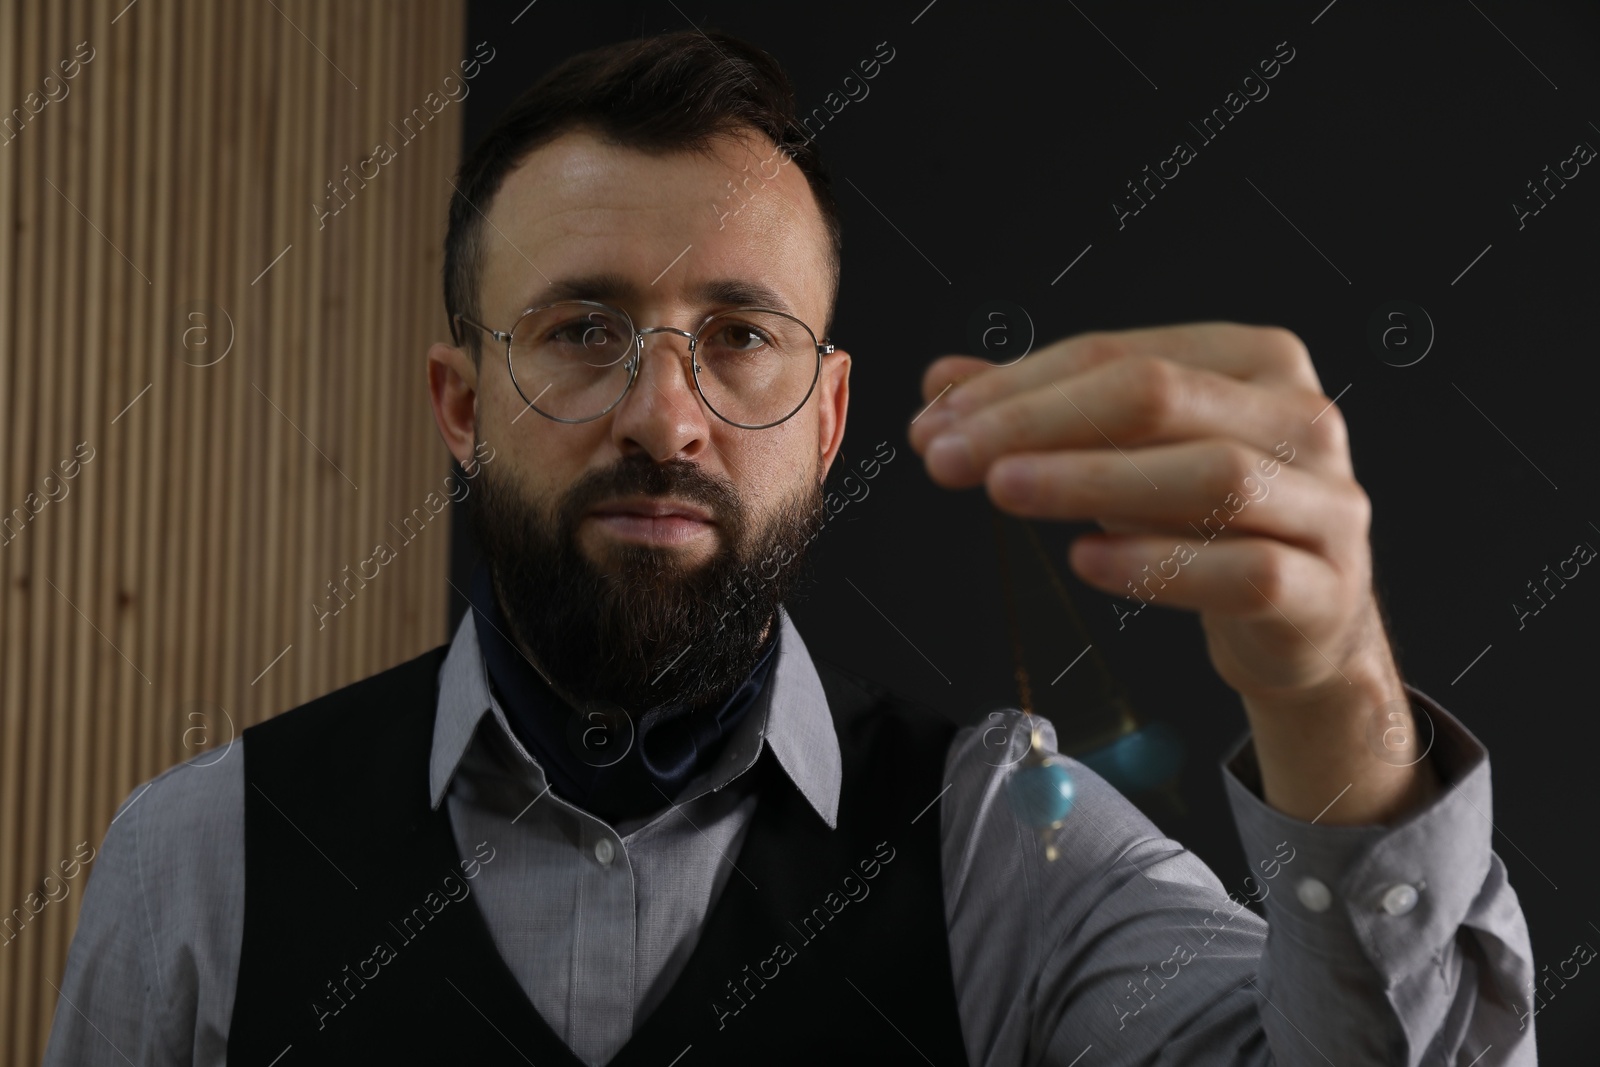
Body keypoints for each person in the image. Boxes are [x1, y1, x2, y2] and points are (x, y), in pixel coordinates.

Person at [43, 30, 1534, 1067]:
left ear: (827, 421)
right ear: (460, 404)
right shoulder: (201, 859)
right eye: (580, 331)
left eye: (739, 338)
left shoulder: (1012, 853)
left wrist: (1337, 698)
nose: (665, 415)